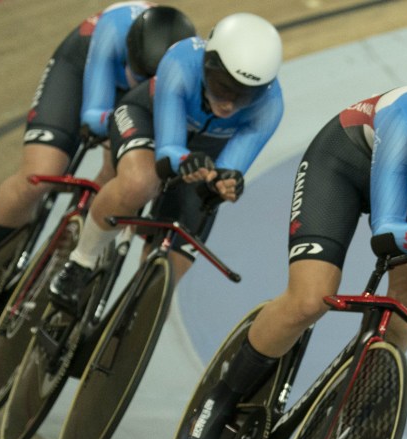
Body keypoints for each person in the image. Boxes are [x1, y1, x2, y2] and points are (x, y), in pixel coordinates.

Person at [177, 86, 407, 439]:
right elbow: (384, 234)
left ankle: (355, 409)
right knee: (310, 299)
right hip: (345, 162)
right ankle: (221, 396)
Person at [0, 3, 195, 316]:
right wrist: (106, 130)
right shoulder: (112, 30)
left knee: (120, 176)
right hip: (83, 68)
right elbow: (96, 115)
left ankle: (77, 232)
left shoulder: (181, 73)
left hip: (144, 101)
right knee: (39, 174)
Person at [47, 12, 284, 309]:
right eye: (223, 86)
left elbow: (229, 168)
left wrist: (227, 183)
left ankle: (128, 321)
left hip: (202, 151)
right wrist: (186, 161)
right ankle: (80, 262)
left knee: (173, 265)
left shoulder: (270, 106)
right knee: (140, 182)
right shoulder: (183, 60)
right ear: (207, 63)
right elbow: (169, 150)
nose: (228, 103)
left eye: (245, 96)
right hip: (147, 119)